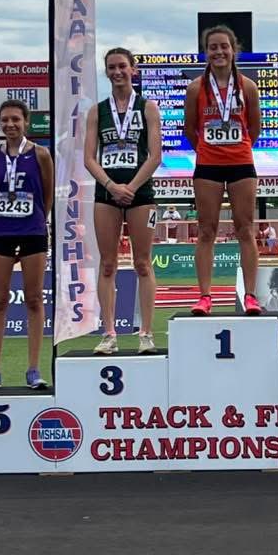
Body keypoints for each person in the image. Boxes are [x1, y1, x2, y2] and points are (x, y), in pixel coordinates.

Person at [84, 48, 162, 355]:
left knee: (143, 263)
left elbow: (155, 156)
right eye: (112, 68)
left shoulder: (148, 108)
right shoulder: (97, 111)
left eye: (122, 66)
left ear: (133, 69)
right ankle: (109, 333)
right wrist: (111, 185)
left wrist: (130, 186)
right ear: (106, 72)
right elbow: (89, 157)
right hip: (106, 193)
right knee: (107, 265)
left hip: (141, 193)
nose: (117, 72)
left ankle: (146, 333)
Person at [0, 99, 54, 390]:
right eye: (5, 120)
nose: (10, 125)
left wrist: (38, 220)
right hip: (1, 233)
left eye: (15, 120)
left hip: (33, 231)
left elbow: (46, 194)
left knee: (34, 299)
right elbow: (0, 191)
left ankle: (33, 369)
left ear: (26, 123)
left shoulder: (41, 154)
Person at [184, 25, 262, 316]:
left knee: (246, 229)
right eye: (213, 47)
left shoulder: (248, 87)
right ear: (206, 53)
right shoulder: (196, 89)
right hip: (207, 166)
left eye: (223, 47)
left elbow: (254, 128)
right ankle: (205, 296)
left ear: (233, 50)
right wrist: (208, 150)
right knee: (207, 230)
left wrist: (236, 148)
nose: (218, 52)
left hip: (242, 163)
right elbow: (190, 129)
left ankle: (250, 295)